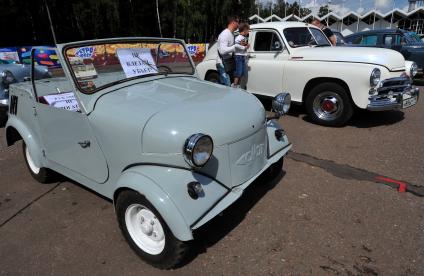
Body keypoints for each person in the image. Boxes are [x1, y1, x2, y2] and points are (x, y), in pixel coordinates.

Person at [216, 16, 248, 86]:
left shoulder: (231, 34)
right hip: (222, 64)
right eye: (238, 22)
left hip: (228, 63)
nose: (239, 25)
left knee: (229, 85)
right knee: (226, 86)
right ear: (233, 22)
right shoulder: (225, 34)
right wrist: (235, 47)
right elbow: (222, 51)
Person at [233, 23, 250, 88]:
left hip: (242, 56)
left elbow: (243, 45)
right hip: (238, 56)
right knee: (238, 72)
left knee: (242, 72)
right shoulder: (238, 37)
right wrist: (244, 48)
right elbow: (236, 45)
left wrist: (246, 47)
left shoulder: (244, 38)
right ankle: (234, 85)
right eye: (248, 30)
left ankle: (238, 85)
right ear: (244, 30)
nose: (248, 32)